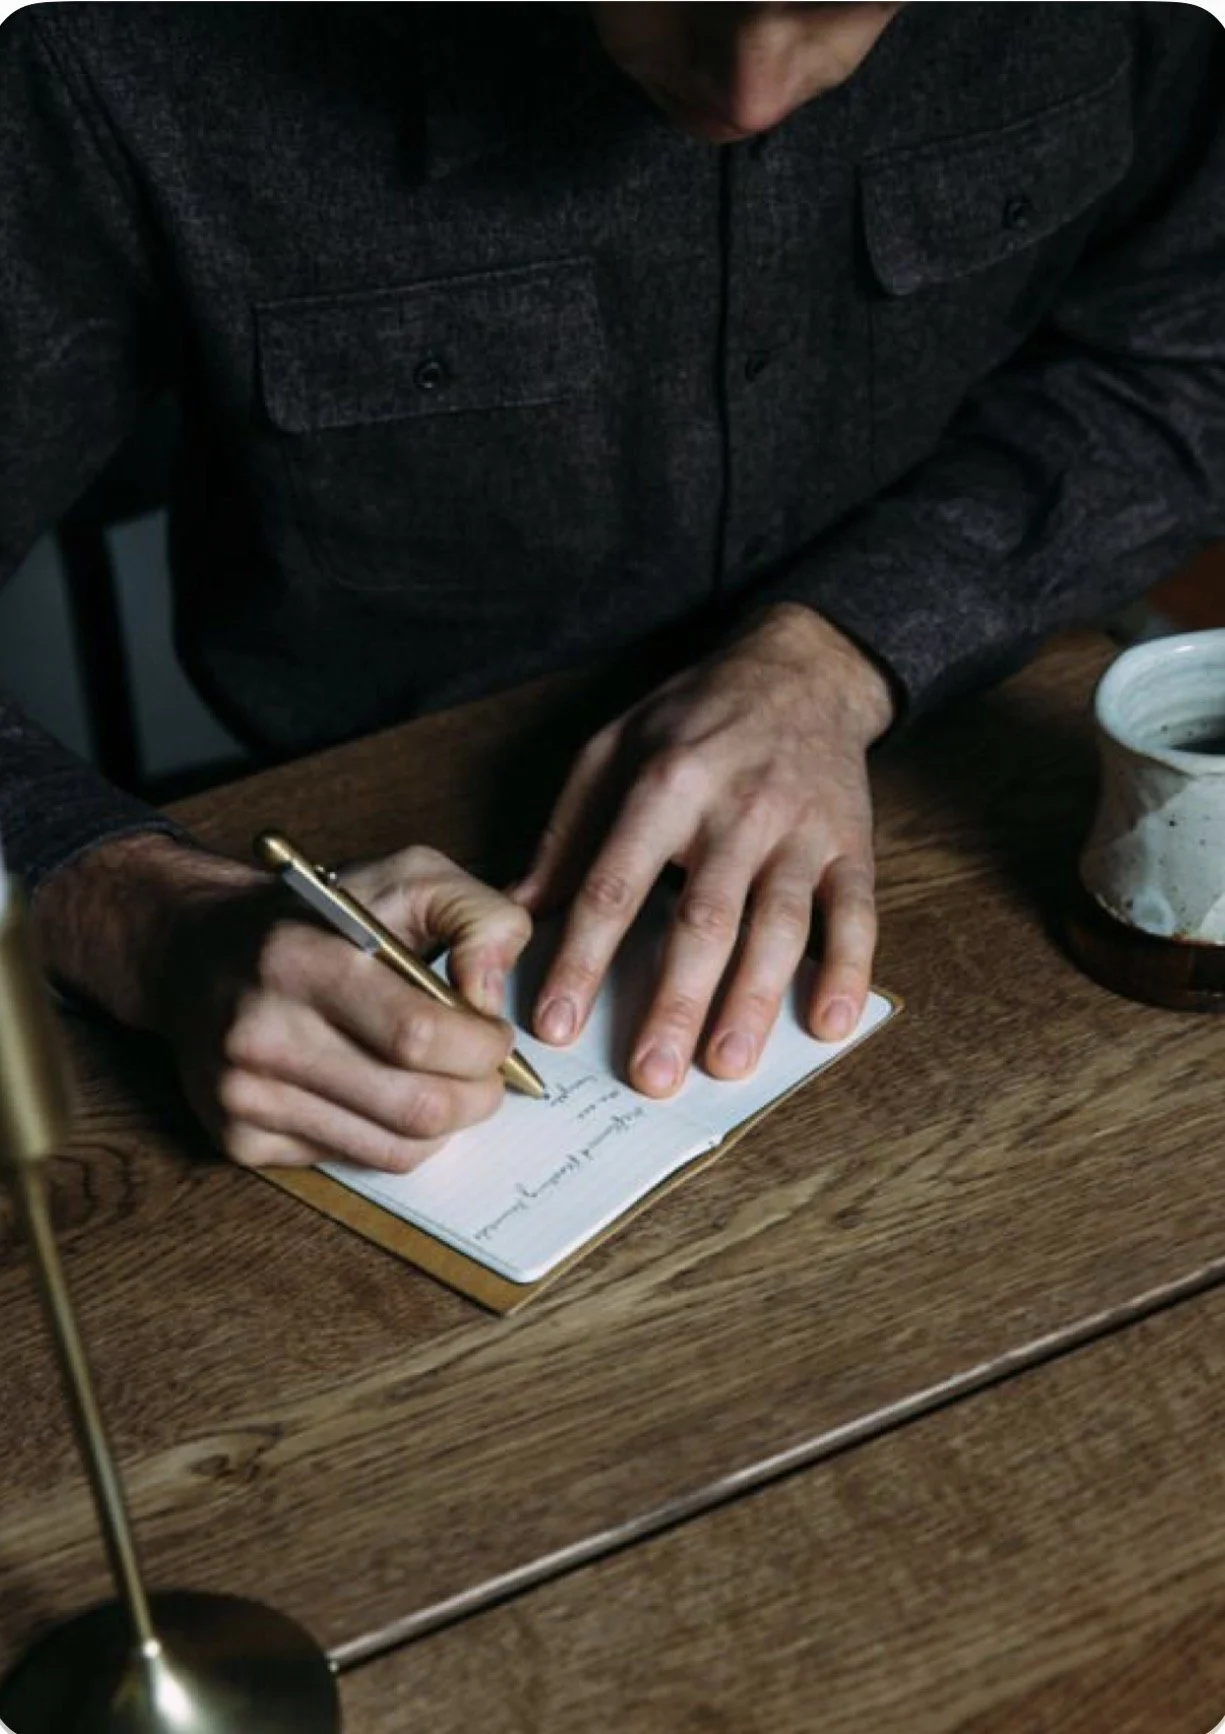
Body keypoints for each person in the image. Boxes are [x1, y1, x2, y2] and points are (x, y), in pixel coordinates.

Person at [0, 3, 1222, 1175]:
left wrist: (847, 649)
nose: (750, 95)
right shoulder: (111, 37)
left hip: (961, 775)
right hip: (350, 893)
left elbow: (1193, 350)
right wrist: (149, 925)